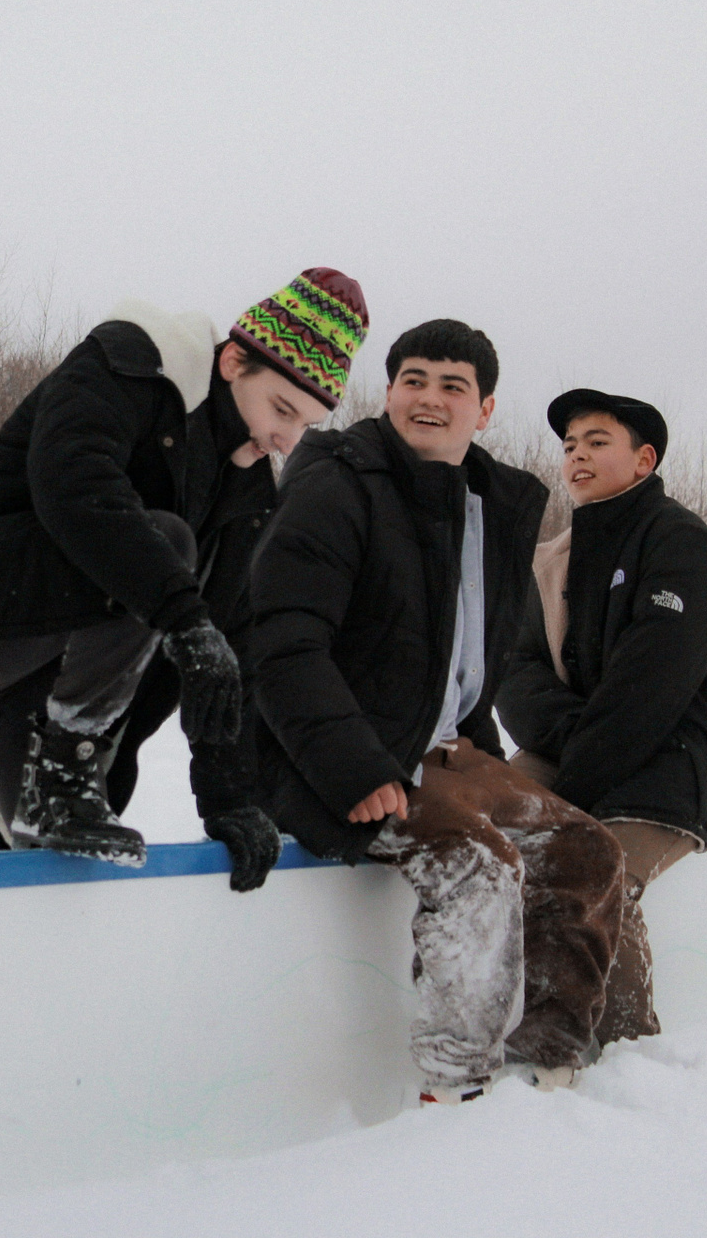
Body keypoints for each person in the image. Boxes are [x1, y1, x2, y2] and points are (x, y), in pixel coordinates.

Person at [0, 270, 370, 887]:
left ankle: (59, 797)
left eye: (305, 426)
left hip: (26, 694)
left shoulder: (246, 495)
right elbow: (74, 487)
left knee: (65, 860)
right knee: (165, 544)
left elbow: (232, 652)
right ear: (233, 362)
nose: (287, 441)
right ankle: (67, 759)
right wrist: (183, 616)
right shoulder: (129, 366)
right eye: (282, 410)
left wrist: (230, 796)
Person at [249, 319, 625, 1102]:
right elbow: (281, 643)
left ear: (483, 410)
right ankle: (456, 1090)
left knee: (584, 849)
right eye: (413, 380)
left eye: (453, 386)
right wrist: (352, 767)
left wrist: (483, 754)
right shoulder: (337, 486)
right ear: (388, 392)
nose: (429, 398)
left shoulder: (491, 504)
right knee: (479, 867)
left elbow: (462, 660)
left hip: (443, 749)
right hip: (333, 757)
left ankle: (546, 1065)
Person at [497, 389, 707, 1044]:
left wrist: (573, 791)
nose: (577, 455)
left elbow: (650, 691)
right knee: (482, 828)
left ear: (644, 461)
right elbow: (516, 674)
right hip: (582, 749)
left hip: (680, 759)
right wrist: (571, 745)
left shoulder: (679, 544)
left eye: (597, 441)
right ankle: (489, 1023)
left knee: (595, 870)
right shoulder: (550, 562)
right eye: (569, 445)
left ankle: (626, 1048)